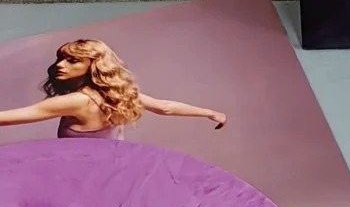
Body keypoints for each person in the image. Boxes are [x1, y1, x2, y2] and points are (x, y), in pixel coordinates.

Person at [0, 40, 228, 139]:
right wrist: (210, 113)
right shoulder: (116, 94)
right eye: (60, 59)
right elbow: (165, 107)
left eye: (72, 61)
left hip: (82, 175)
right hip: (115, 170)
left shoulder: (77, 101)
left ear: (93, 65)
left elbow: (5, 119)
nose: (60, 65)